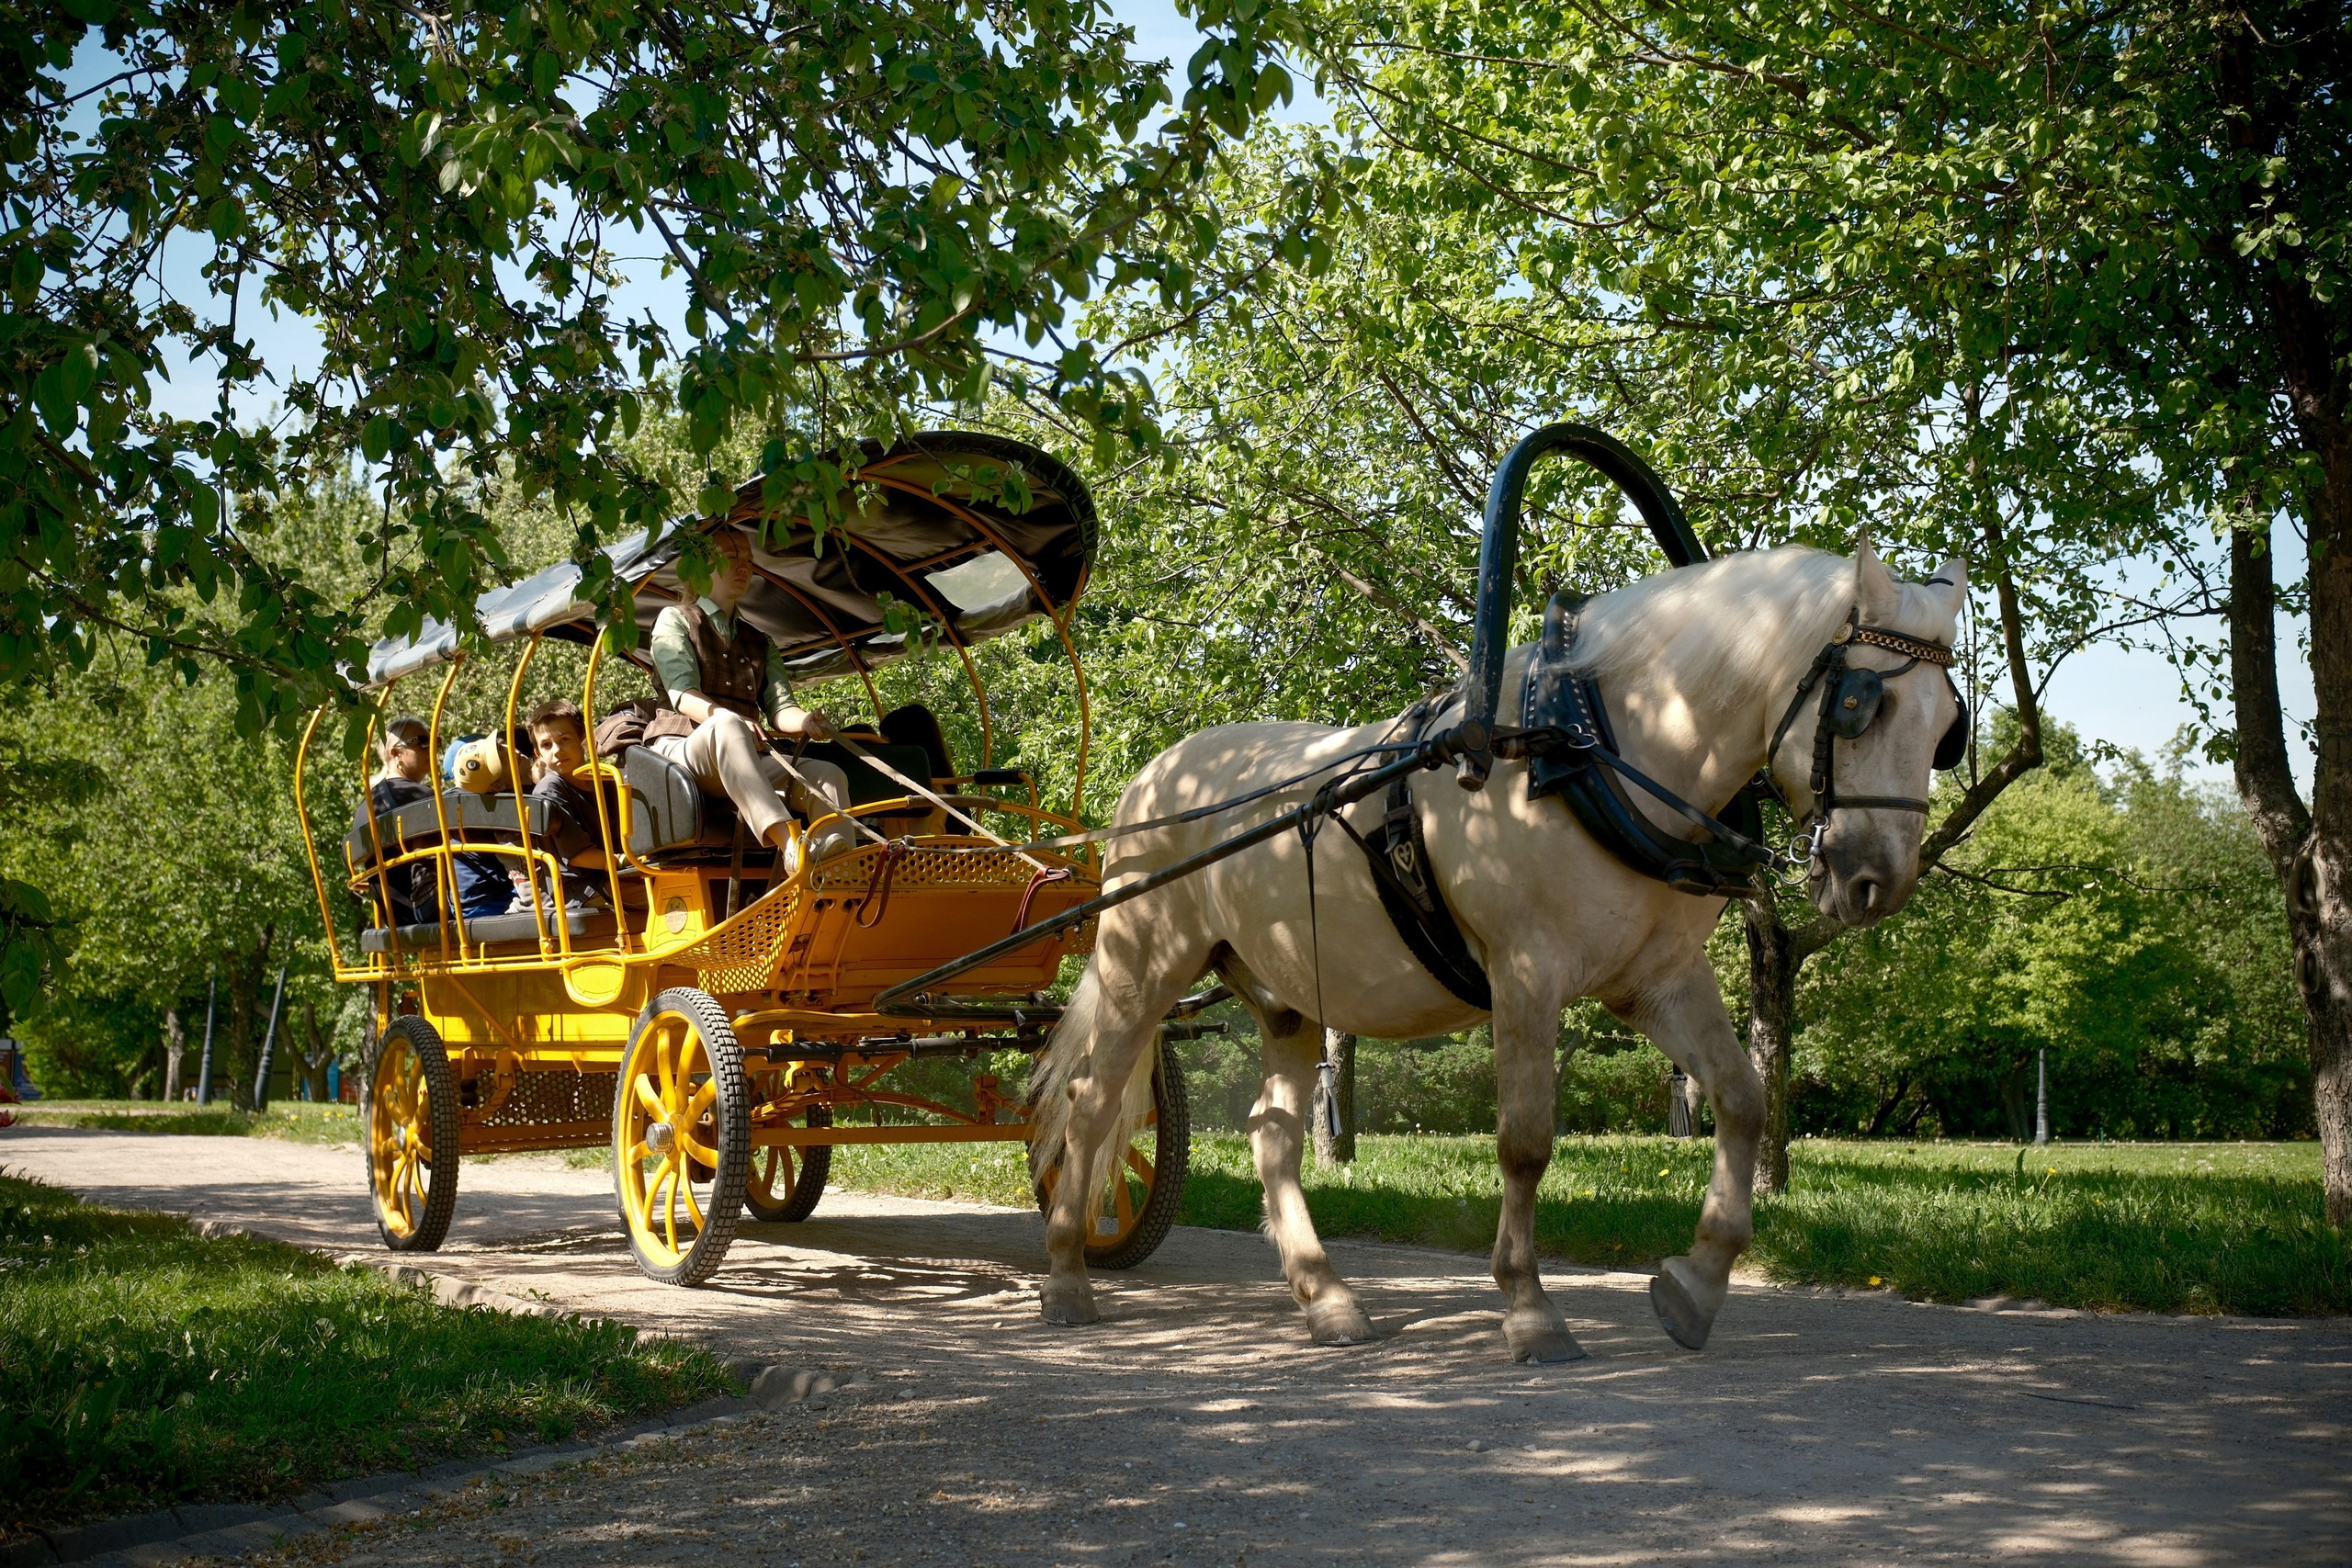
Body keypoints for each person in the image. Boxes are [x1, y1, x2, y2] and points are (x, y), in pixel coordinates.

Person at [647, 528, 854, 871]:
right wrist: (731, 719)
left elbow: (781, 709)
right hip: (681, 751)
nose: (744, 567)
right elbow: (682, 695)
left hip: (743, 754)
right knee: (727, 724)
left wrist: (805, 721)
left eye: (748, 560)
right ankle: (794, 850)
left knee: (828, 774)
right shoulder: (675, 619)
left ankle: (840, 873)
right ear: (702, 566)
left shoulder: (759, 640)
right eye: (732, 558)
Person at [523, 698, 610, 908]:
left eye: (564, 739)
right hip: (581, 891)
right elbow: (578, 856)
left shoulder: (606, 781)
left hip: (612, 875)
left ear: (583, 739)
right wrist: (627, 862)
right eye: (546, 745)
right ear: (538, 753)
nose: (556, 750)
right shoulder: (549, 790)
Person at [354, 716, 433, 924]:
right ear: (396, 753)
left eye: (436, 741)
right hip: (432, 912)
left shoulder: (367, 805)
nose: (432, 748)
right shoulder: (418, 796)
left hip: (396, 919)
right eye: (423, 742)